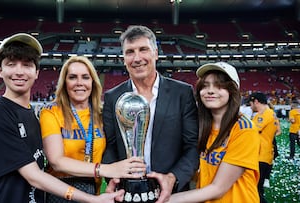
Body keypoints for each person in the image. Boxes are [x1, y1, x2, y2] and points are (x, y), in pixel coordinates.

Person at [0, 33, 124, 203]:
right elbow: (34, 176)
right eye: (11, 64)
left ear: (36, 72)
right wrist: (91, 199)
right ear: (0, 70)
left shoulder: (30, 113)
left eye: (27, 65)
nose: (19, 72)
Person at [102, 25, 199, 202]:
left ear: (155, 53)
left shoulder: (182, 93)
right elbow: (110, 146)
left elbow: (192, 146)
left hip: (172, 195)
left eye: (143, 49)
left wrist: (173, 178)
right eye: (130, 52)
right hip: (127, 194)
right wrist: (113, 178)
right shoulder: (112, 97)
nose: (137, 58)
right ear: (123, 59)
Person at [39, 55, 146, 202]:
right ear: (64, 82)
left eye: (85, 77)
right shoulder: (51, 112)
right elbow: (56, 161)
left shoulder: (101, 114)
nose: (79, 83)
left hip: (93, 193)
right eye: (72, 77)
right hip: (60, 192)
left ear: (93, 82)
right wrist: (105, 169)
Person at [167, 62, 260, 202]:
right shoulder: (200, 126)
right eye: (205, 85)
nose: (210, 91)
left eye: (219, 86)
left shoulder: (244, 129)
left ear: (232, 90)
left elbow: (218, 188)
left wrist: (166, 200)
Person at [249, 92, 278, 203]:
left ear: (256, 101)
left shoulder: (264, 114)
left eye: (251, 103)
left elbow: (252, 130)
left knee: (255, 190)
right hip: (266, 154)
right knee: (258, 189)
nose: (251, 106)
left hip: (260, 155)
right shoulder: (271, 113)